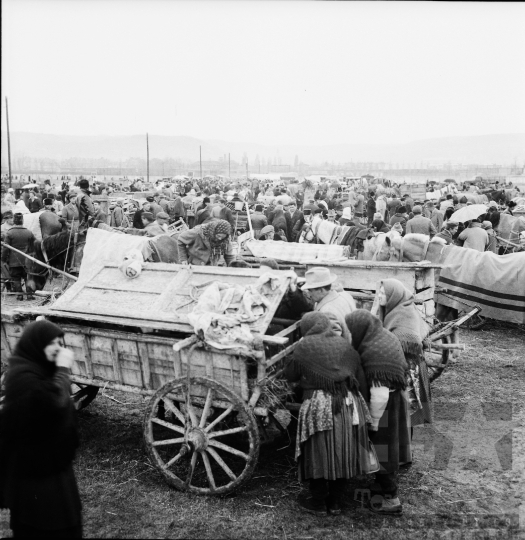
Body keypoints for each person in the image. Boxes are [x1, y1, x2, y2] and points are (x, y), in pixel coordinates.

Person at [285, 312, 378, 517]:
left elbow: (290, 374)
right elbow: (359, 378)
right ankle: (335, 502)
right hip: (349, 405)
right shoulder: (344, 344)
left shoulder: (305, 345)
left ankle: (318, 502)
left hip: (320, 406)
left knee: (317, 453)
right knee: (344, 451)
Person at [0, 320, 82, 538]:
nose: (58, 348)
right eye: (52, 343)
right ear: (36, 344)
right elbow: (54, 403)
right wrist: (63, 369)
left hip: (52, 470)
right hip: (35, 478)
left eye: (59, 342)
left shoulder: (39, 371)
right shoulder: (22, 377)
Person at [345, 310, 411, 515]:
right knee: (389, 448)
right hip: (396, 398)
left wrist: (373, 422)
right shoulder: (384, 336)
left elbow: (380, 394)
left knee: (383, 450)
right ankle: (381, 487)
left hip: (385, 404)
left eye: (350, 330)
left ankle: (391, 499)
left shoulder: (374, 351)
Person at [379, 279, 432, 430]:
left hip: (408, 369)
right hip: (404, 366)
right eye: (380, 292)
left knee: (403, 414)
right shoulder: (394, 310)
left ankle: (403, 446)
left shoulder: (404, 316)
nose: (379, 296)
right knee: (401, 416)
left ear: (393, 296)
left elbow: (407, 342)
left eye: (383, 293)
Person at [300, 267, 356, 341]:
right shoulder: (345, 295)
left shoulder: (327, 312)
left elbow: (332, 344)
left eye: (310, 290)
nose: (309, 294)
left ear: (321, 290)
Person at [1, 213, 35, 300]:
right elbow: (33, 246)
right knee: (28, 276)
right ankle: (29, 295)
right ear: (22, 221)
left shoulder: (9, 233)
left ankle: (19, 295)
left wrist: (3, 259)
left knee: (16, 277)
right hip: (27, 260)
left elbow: (5, 248)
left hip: (13, 261)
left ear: (14, 221)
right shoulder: (29, 232)